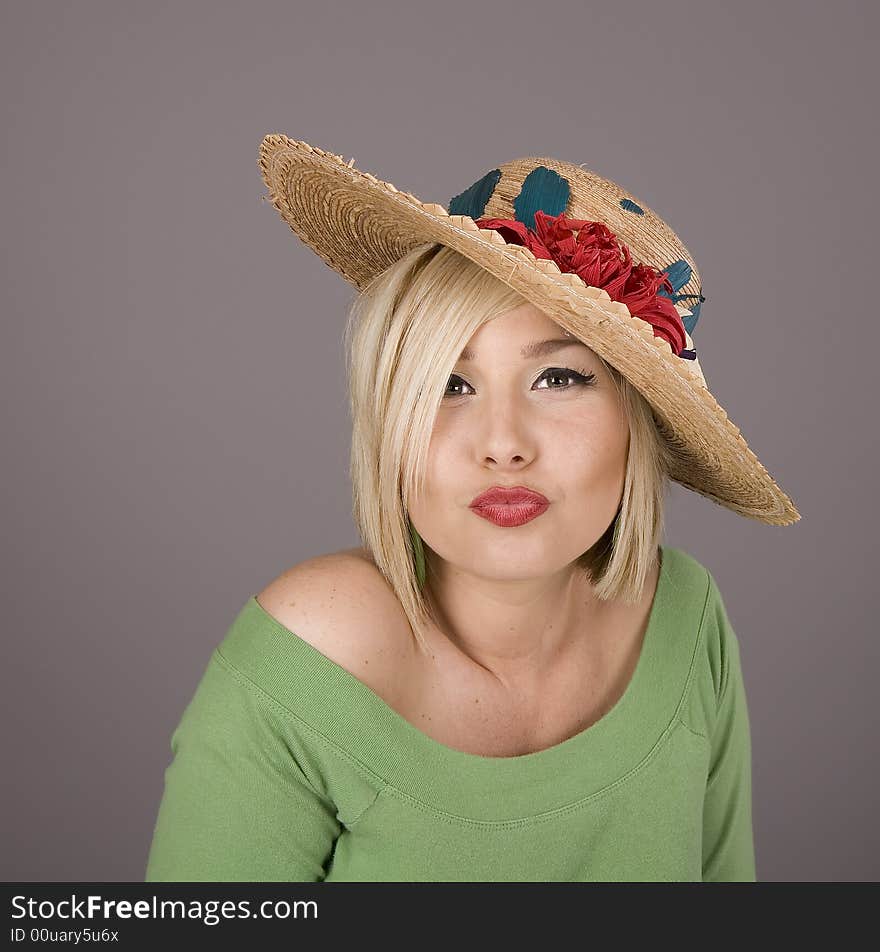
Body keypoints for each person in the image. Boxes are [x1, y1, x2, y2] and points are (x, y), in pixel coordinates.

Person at [144, 137, 800, 883]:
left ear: (636, 420)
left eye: (558, 378)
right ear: (389, 421)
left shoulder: (687, 619)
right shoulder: (309, 659)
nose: (503, 445)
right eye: (451, 386)